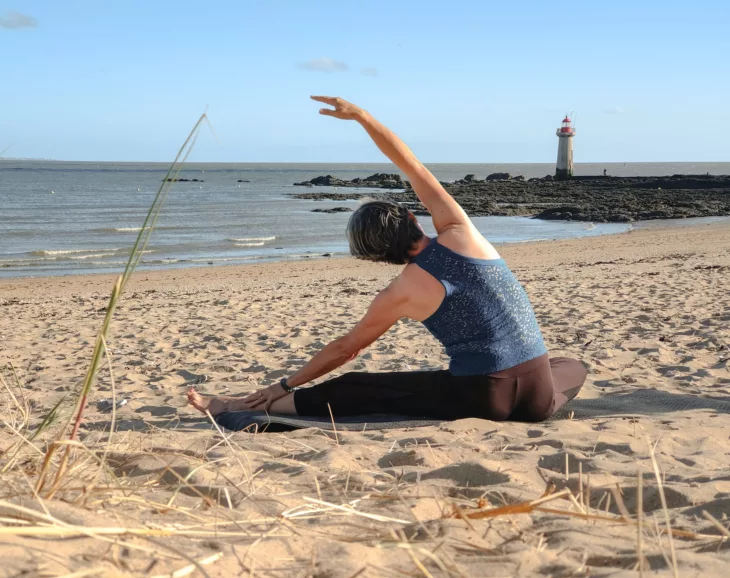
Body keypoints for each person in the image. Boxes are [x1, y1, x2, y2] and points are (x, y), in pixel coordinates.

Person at [188, 96, 587, 423]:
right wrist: (362, 116)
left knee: (358, 387)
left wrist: (284, 385)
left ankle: (244, 407)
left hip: (482, 399)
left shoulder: (400, 292)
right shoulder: (463, 234)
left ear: (377, 257)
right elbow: (409, 164)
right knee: (569, 365)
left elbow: (345, 350)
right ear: (413, 218)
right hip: (537, 395)